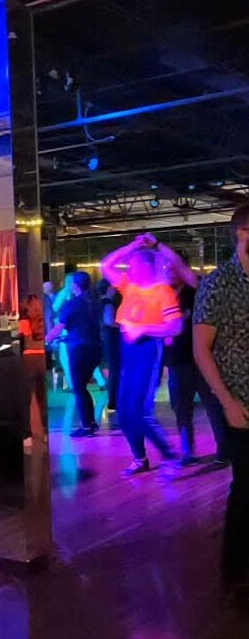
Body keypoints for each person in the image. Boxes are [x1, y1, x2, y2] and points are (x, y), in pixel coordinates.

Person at [193, 204, 249, 589]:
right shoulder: (218, 284)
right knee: (246, 488)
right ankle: (235, 571)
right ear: (243, 235)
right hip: (240, 402)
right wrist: (227, 402)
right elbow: (201, 350)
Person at [102, 235, 182, 477]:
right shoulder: (129, 286)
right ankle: (139, 458)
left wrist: (144, 328)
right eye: (130, 265)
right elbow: (106, 265)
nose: (130, 268)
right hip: (128, 353)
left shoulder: (162, 292)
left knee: (138, 410)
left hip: (148, 351)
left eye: (136, 264)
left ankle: (169, 455)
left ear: (148, 266)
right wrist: (132, 246)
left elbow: (175, 327)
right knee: (124, 412)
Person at [161, 248, 228, 466]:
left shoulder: (196, 288)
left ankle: (224, 451)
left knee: (213, 406)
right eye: (166, 267)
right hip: (177, 361)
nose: (168, 270)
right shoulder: (166, 294)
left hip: (203, 359)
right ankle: (187, 451)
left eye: (172, 266)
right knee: (181, 408)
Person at [46, 271, 102, 437]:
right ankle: (91, 423)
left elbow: (59, 327)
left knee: (78, 388)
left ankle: (86, 426)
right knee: (82, 387)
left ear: (75, 285)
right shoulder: (94, 302)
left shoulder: (72, 304)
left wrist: (45, 340)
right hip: (95, 348)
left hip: (79, 349)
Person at [19, 295, 47, 446]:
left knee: (27, 398)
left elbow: (21, 337)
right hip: (42, 357)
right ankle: (44, 433)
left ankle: (26, 434)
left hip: (29, 358)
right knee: (42, 397)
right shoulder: (43, 317)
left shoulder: (24, 320)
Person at [97, 278, 122, 421]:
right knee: (115, 370)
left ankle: (113, 399)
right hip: (112, 338)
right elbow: (109, 321)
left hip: (105, 337)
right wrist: (125, 326)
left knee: (114, 369)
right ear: (109, 288)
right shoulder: (108, 302)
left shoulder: (97, 302)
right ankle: (114, 400)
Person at [52, 273, 74, 391]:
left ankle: (71, 384)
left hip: (64, 329)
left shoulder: (64, 293)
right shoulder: (80, 293)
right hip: (77, 330)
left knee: (65, 357)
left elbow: (55, 308)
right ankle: (100, 380)